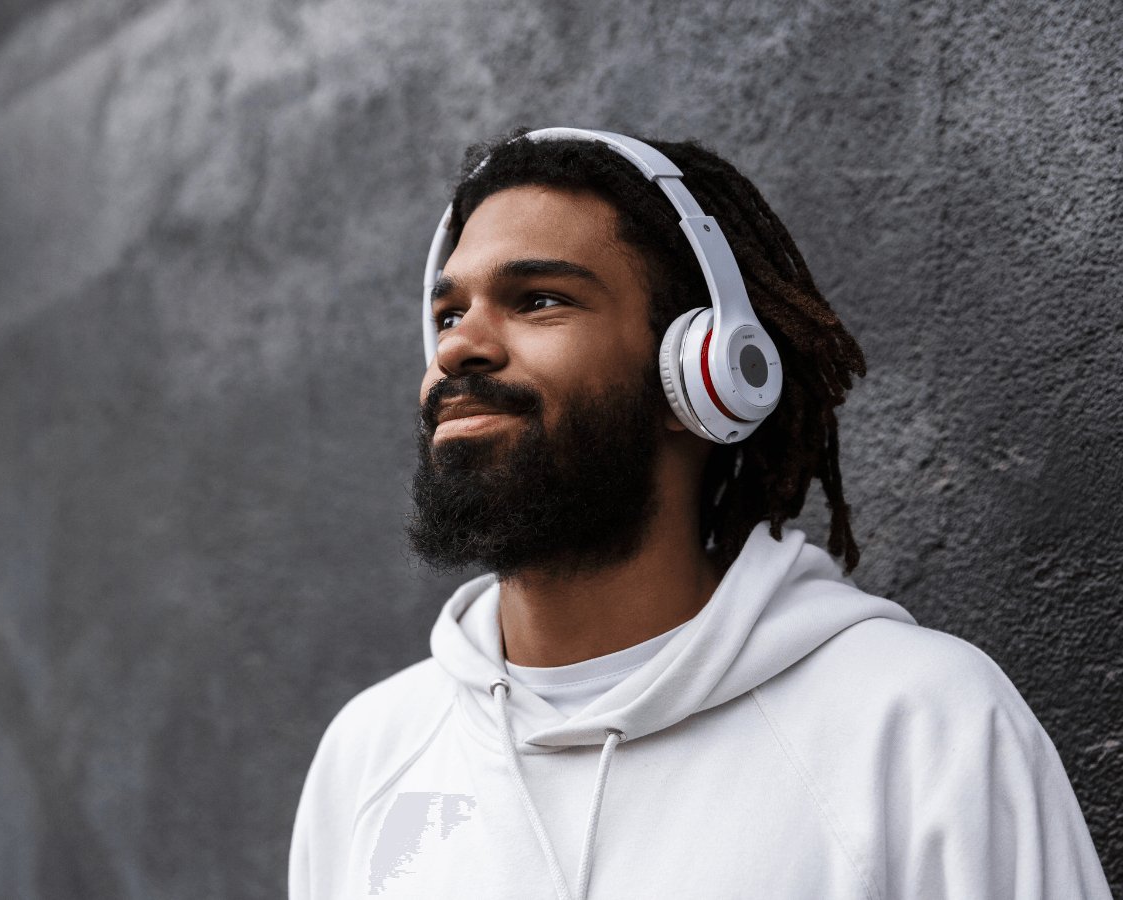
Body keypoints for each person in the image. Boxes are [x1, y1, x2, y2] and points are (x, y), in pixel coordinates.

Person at [288, 128, 1110, 900]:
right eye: (447, 314)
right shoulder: (372, 752)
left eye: (539, 300)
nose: (460, 347)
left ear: (703, 374)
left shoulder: (920, 723)